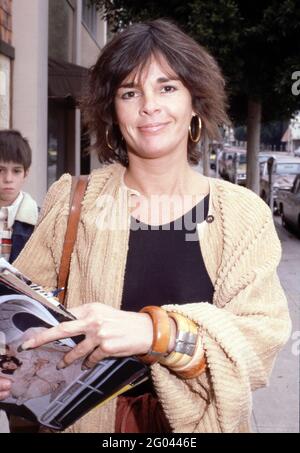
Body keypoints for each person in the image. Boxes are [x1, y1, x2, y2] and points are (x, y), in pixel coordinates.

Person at [0, 20, 291, 433]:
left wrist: (158, 333)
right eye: (130, 92)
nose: (149, 105)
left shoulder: (241, 214)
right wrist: (10, 367)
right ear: (112, 111)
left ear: (194, 102)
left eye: (167, 87)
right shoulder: (71, 201)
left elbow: (259, 344)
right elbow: (17, 320)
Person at [0, 130, 39, 263]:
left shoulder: (40, 220)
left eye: (16, 171)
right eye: (0, 170)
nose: (8, 179)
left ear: (26, 173)